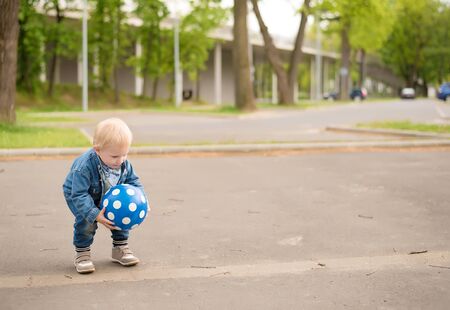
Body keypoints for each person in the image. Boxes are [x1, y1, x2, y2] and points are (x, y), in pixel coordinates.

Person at [63, 117, 145, 274]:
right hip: (81, 194)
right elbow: (78, 194)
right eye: (115, 156)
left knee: (123, 211)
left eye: (125, 154)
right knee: (87, 221)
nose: (120, 160)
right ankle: (82, 253)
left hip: (108, 193)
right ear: (97, 150)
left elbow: (134, 182)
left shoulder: (123, 163)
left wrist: (143, 200)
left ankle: (120, 247)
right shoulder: (84, 166)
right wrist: (95, 214)